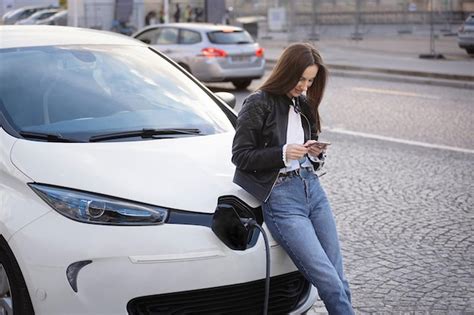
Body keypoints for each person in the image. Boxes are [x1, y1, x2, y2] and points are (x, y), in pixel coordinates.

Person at [231, 42, 354, 314]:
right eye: (301, 79)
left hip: (313, 189)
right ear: (286, 71)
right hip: (282, 200)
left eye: (310, 80)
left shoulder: (303, 102)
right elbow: (241, 156)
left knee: (340, 280)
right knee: (329, 282)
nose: (305, 86)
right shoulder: (258, 103)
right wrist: (283, 153)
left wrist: (314, 152)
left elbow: (308, 143)